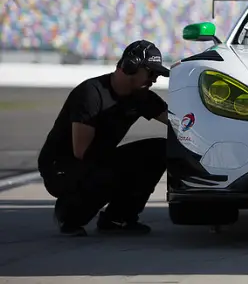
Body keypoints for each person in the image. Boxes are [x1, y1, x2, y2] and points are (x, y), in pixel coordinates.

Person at [37, 40, 171, 236]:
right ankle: (69, 214)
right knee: (112, 170)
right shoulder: (91, 93)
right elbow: (81, 152)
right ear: (130, 66)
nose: (154, 80)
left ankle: (117, 218)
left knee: (160, 149)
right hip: (62, 167)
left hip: (99, 158)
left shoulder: (141, 96)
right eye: (151, 72)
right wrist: (126, 170)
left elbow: (178, 123)